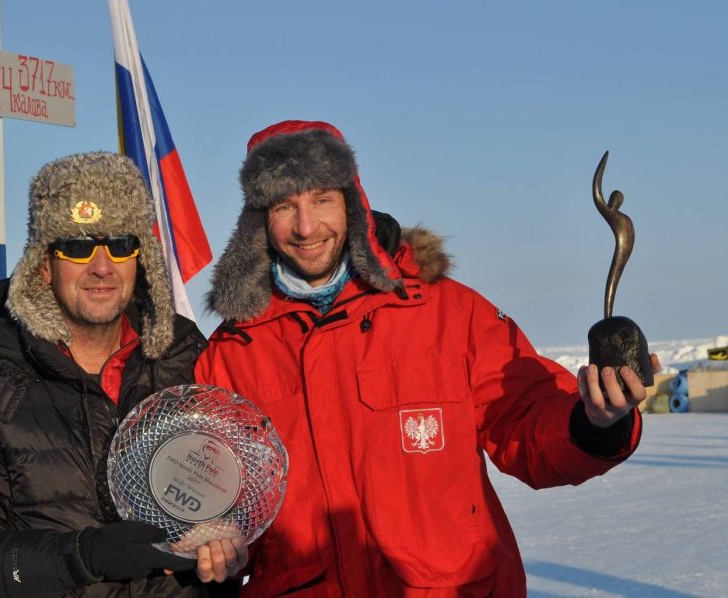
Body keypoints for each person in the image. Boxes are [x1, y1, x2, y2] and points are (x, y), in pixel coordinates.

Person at [195, 120, 658, 596]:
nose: (306, 226)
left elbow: (524, 418)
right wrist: (219, 544)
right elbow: (219, 503)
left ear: (352, 203)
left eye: (321, 200)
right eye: (284, 205)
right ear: (259, 219)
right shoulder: (229, 356)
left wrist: (594, 422)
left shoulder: (449, 313)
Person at [0, 151, 247, 597]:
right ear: (43, 265)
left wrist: (235, 550)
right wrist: (81, 556)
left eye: (120, 244)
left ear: (139, 260)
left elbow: (240, 498)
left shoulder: (190, 367)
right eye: (78, 246)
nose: (102, 266)